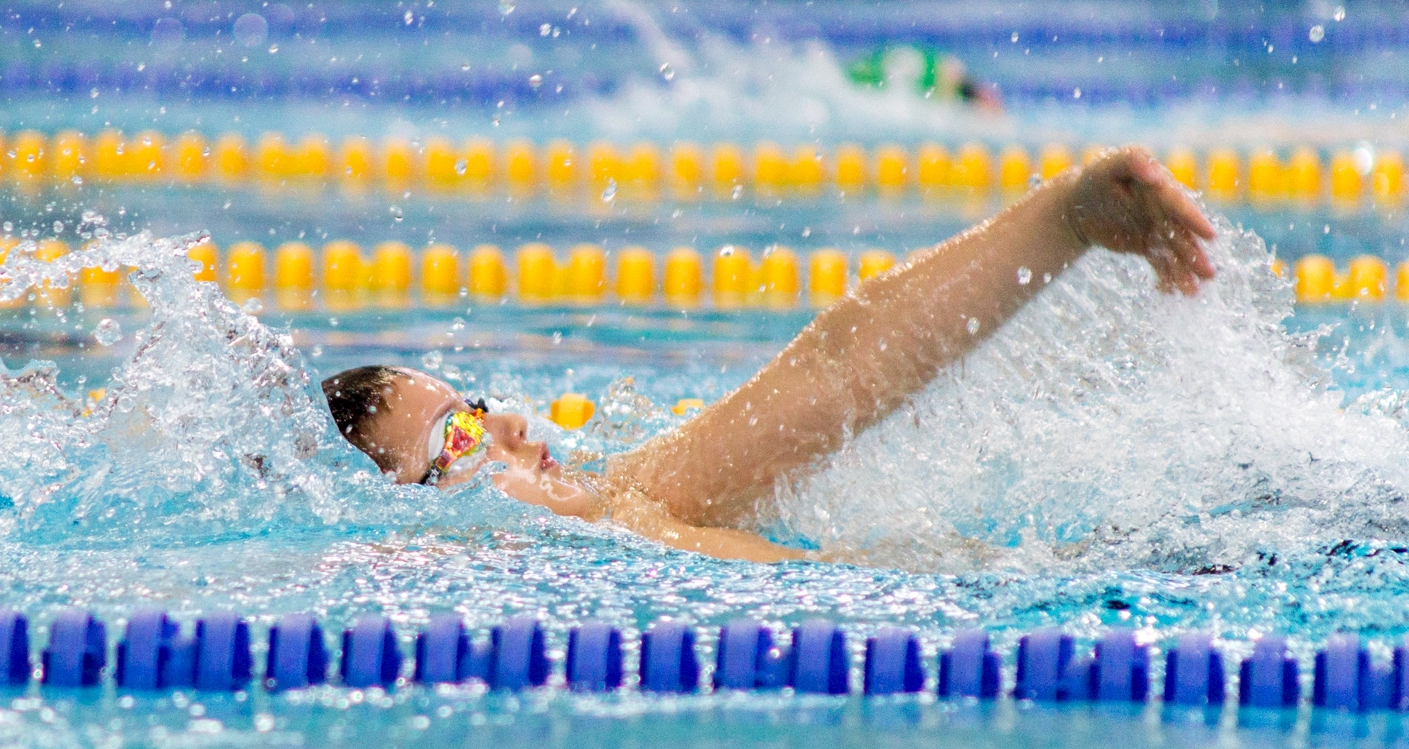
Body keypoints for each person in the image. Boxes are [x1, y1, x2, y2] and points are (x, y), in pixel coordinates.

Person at [323, 147, 1216, 563]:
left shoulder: (632, 497)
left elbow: (840, 373)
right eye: (458, 440)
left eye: (476, 409)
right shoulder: (511, 564)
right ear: (411, 534)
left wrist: (1065, 219)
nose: (512, 422)